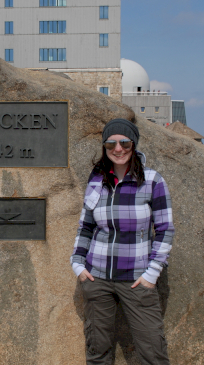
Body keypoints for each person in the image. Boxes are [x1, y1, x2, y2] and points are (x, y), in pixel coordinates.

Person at [71, 118, 174, 365]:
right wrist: (77, 264)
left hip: (137, 280)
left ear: (133, 144)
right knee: (97, 354)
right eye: (111, 144)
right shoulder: (97, 181)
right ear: (105, 148)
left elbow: (165, 230)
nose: (118, 149)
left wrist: (152, 274)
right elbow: (86, 226)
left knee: (153, 354)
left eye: (124, 143)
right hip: (97, 278)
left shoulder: (152, 181)